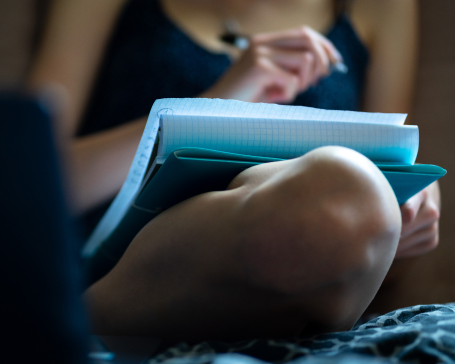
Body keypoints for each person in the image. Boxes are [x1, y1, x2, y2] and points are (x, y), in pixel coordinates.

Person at [30, 0, 441, 340]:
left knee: (349, 197)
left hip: (320, 257)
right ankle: (81, 322)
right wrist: (219, 100)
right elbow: (20, 177)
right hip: (115, 268)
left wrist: (409, 212)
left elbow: (385, 240)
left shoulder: (382, 7)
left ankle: (74, 330)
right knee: (341, 191)